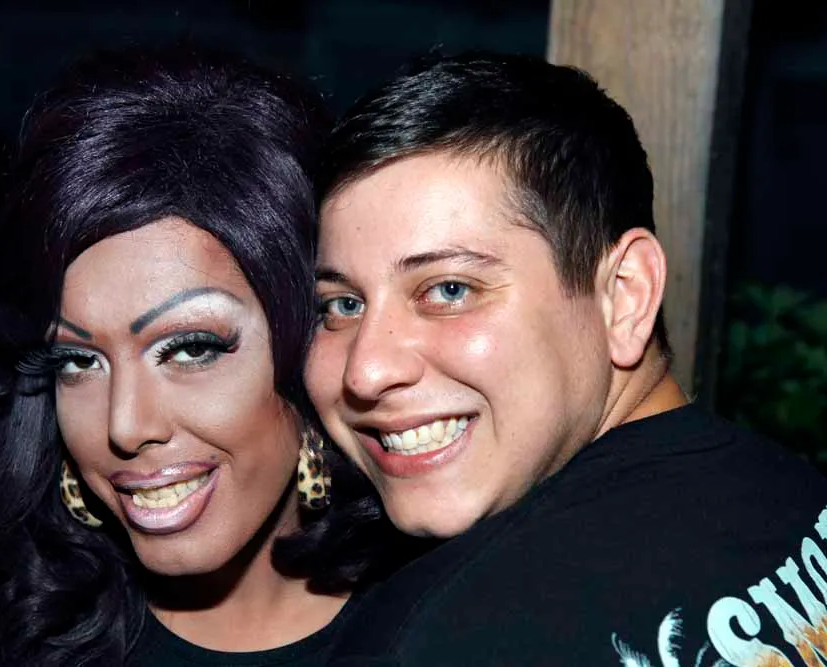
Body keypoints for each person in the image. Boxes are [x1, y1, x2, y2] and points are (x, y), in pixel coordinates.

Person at [0, 44, 396, 667]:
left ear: (312, 342)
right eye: (78, 362)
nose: (125, 426)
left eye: (190, 348)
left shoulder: (447, 617)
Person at [305, 51, 827, 666]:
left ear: (625, 296)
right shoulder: (797, 496)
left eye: (449, 290)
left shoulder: (432, 639)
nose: (366, 370)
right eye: (341, 305)